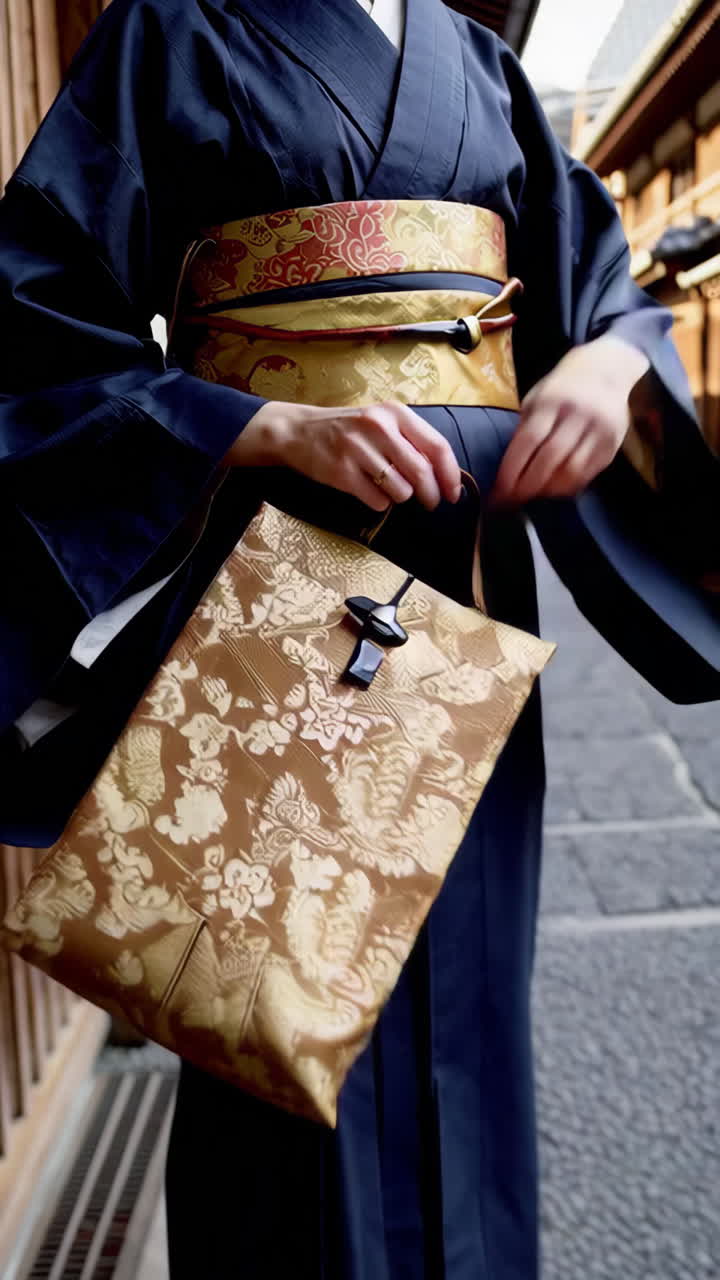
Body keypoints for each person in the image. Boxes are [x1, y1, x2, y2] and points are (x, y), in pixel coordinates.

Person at [0, 0, 705, 1276]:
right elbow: (37, 314)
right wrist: (251, 427)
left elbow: (603, 294)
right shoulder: (174, 30)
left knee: (471, 990)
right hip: (278, 587)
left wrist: (608, 370)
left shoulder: (476, 62)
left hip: (471, 583)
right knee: (277, 1007)